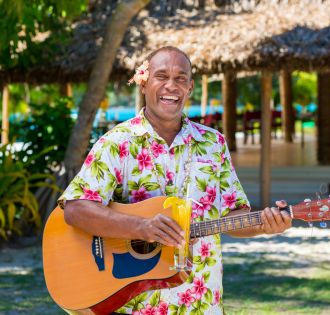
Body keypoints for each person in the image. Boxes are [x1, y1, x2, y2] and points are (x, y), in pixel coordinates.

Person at [59, 46, 292, 315]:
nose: (172, 86)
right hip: (137, 304)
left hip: (201, 301)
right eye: (161, 76)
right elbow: (76, 208)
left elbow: (233, 215)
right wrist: (141, 227)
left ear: (190, 87)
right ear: (143, 82)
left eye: (181, 78)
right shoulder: (116, 143)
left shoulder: (212, 143)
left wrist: (265, 224)